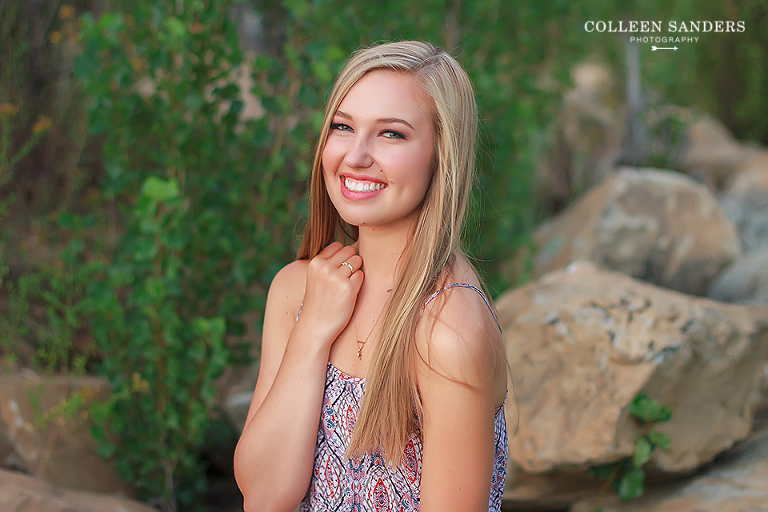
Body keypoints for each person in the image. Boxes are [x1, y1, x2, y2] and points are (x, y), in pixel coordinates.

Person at [234, 40, 509, 512]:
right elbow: (263, 497)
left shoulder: (446, 332)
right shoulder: (297, 290)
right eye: (343, 127)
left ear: (441, 156)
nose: (355, 156)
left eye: (391, 135)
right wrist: (312, 332)